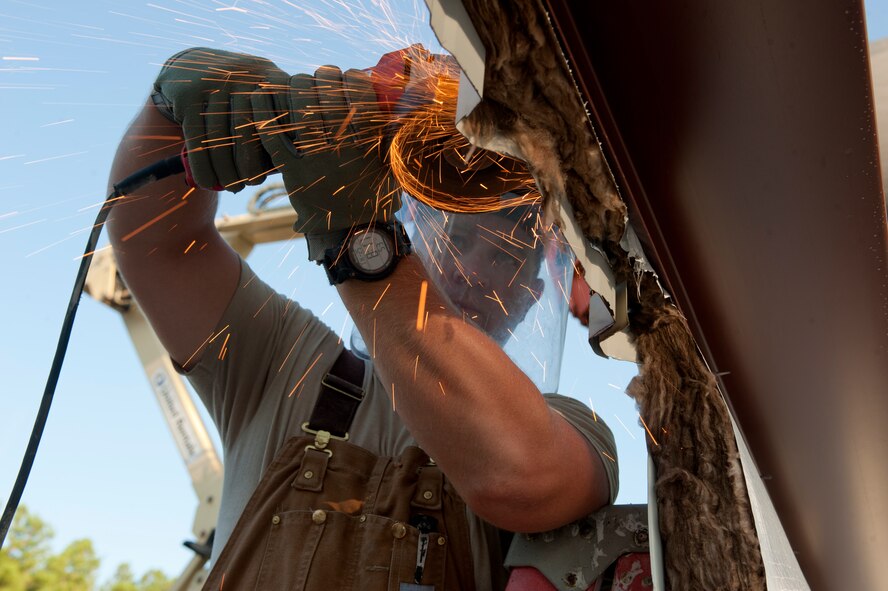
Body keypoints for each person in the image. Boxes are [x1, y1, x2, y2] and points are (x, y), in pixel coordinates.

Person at [107, 47, 618, 590]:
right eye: (460, 239)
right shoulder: (285, 364)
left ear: (531, 295)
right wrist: (170, 109)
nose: (472, 270)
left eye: (505, 257)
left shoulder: (572, 431)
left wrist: (355, 241)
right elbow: (156, 242)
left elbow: (519, 477)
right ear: (418, 239)